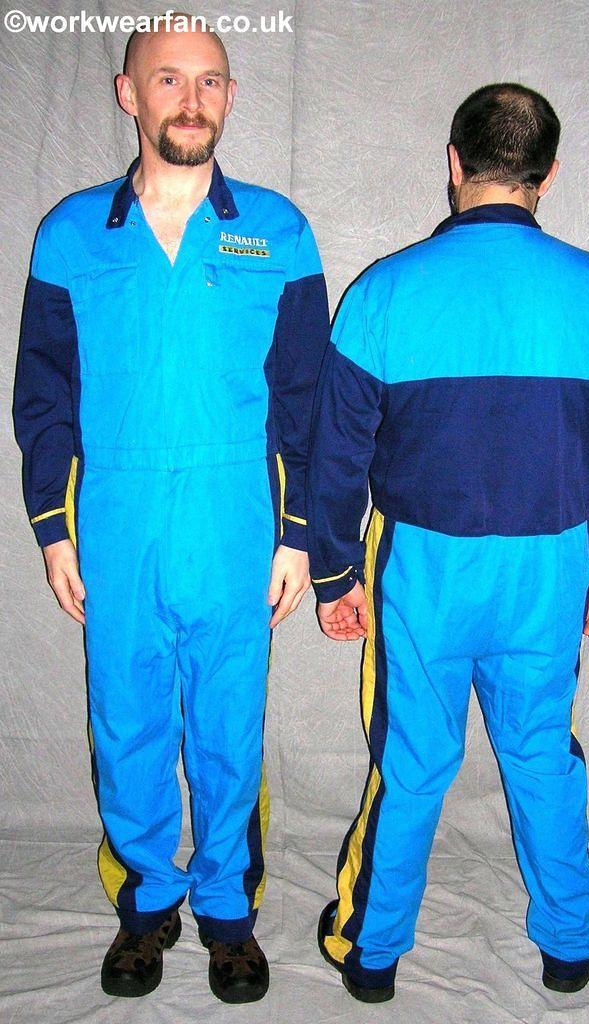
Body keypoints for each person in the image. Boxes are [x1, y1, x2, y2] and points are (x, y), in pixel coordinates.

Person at [307, 82, 589, 1002]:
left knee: (411, 762)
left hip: (419, 566)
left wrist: (334, 573)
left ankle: (373, 954)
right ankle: (567, 946)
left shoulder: (382, 292)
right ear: (547, 174)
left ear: (453, 163)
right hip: (545, 565)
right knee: (540, 754)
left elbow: (334, 457)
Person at [13, 12, 329, 1004]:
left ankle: (228, 912)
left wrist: (298, 534)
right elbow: (42, 394)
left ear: (229, 96)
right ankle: (146, 904)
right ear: (128, 92)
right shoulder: (72, 233)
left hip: (235, 518)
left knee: (229, 725)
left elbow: (306, 397)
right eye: (168, 79)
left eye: (209, 81)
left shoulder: (277, 230)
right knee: (128, 719)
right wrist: (53, 526)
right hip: (117, 515)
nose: (191, 100)